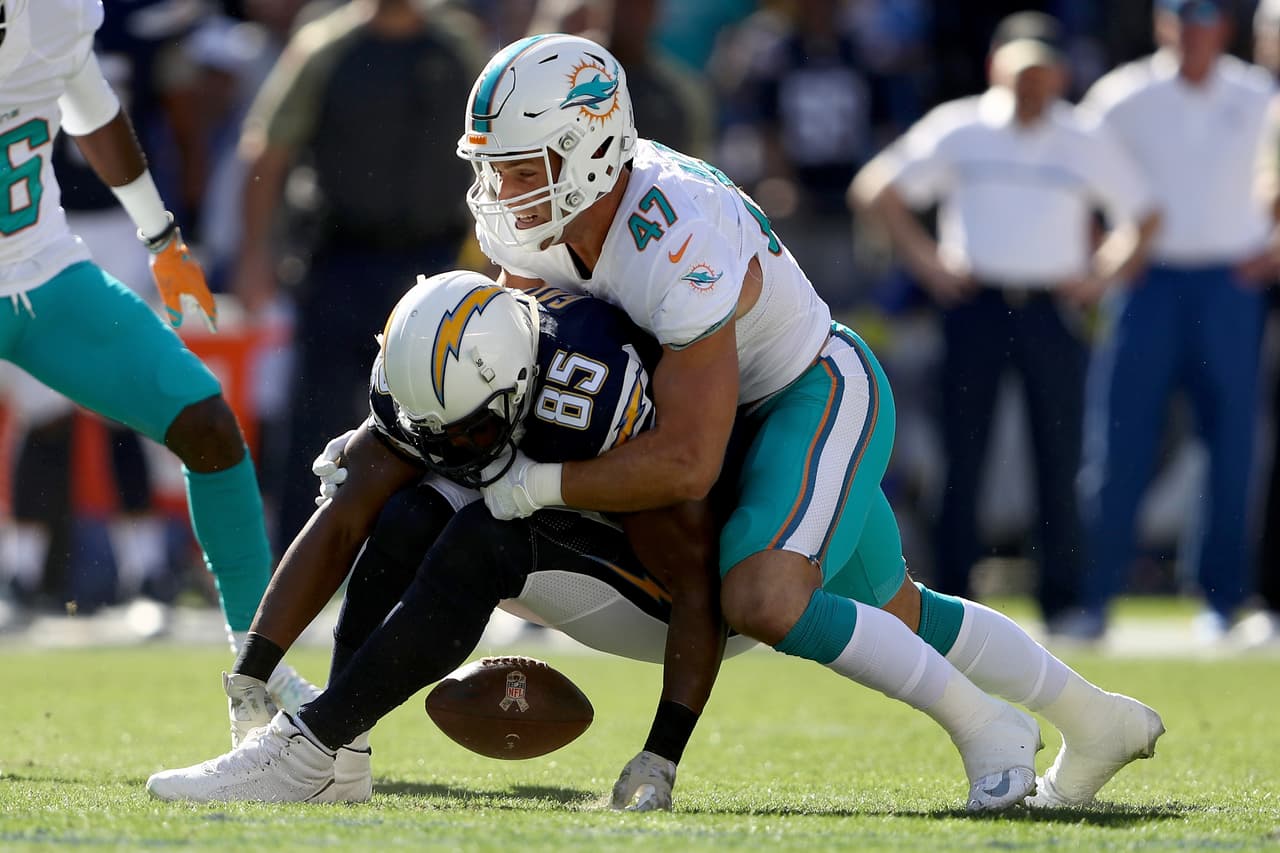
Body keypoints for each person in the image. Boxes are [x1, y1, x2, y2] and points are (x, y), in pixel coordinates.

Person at [463, 33, 1164, 809]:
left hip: (810, 388)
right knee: (899, 609)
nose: (504, 189)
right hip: (743, 414)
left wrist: (540, 484)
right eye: (495, 165)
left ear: (590, 149)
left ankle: (988, 727)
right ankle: (1097, 719)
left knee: (764, 596)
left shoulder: (670, 228)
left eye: (525, 167)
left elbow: (690, 459)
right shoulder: (541, 215)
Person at [146, 270, 747, 809]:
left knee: (484, 537)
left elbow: (695, 580)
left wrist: (661, 755)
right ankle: (340, 761)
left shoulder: (590, 398)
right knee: (406, 510)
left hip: (665, 597)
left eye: (466, 433)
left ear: (515, 384)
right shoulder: (438, 384)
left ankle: (306, 750)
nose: (446, 451)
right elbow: (343, 522)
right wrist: (254, 673)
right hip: (552, 523)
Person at [0, 0, 313, 706]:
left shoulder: (58, 14)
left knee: (204, 418)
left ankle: (259, 675)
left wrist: (160, 238)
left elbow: (91, 107)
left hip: (43, 269)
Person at [849, 12, 1161, 632]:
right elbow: (876, 188)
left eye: (1043, 72)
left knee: (1060, 454)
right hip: (977, 305)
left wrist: (1100, 275)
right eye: (1021, 72)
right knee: (964, 455)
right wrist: (930, 265)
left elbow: (1144, 216)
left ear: (1060, 75)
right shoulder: (962, 128)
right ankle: (948, 596)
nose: (1032, 84)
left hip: (1052, 308)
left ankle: (1063, 601)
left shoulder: (1082, 138)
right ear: (998, 69)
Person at [232, 0, 488, 549]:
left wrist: (493, 256)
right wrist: (254, 254)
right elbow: (268, 151)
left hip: (432, 265)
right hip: (340, 259)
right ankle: (294, 567)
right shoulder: (326, 47)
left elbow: (495, 149)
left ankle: (444, 561)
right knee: (315, 417)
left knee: (443, 418)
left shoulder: (458, 46)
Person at [1074, 0, 1280, 642]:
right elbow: (1072, 172)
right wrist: (1104, 259)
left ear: (1224, 27)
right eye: (1182, 19)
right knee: (1119, 442)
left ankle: (1220, 602)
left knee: (1232, 447)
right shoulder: (1122, 94)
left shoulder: (1259, 93)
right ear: (1164, 25)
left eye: (1206, 19)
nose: (1194, 33)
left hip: (1230, 282)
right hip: (1148, 283)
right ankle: (1095, 597)